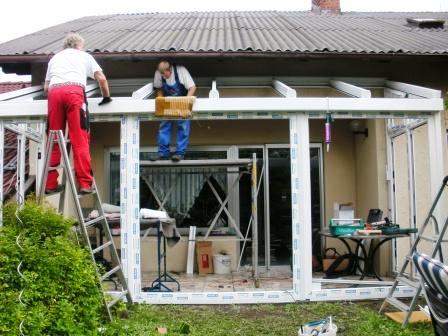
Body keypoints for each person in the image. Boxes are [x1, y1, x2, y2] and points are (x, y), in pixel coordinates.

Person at [44, 32, 112, 194]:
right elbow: (101, 79)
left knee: (54, 139)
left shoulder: (54, 58)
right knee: (79, 138)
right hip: (74, 93)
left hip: (54, 94)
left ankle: (50, 184)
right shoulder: (84, 56)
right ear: (78, 45)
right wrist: (106, 97)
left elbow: (46, 87)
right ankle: (84, 184)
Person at [152, 60, 196, 162]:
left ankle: (180, 153)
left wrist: (185, 102)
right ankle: (163, 154)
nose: (162, 76)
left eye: (164, 74)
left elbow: (192, 87)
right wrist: (161, 101)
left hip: (182, 101)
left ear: (170, 69)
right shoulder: (158, 73)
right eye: (161, 74)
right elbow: (158, 89)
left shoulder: (181, 70)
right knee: (164, 126)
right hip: (167, 102)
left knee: (183, 125)